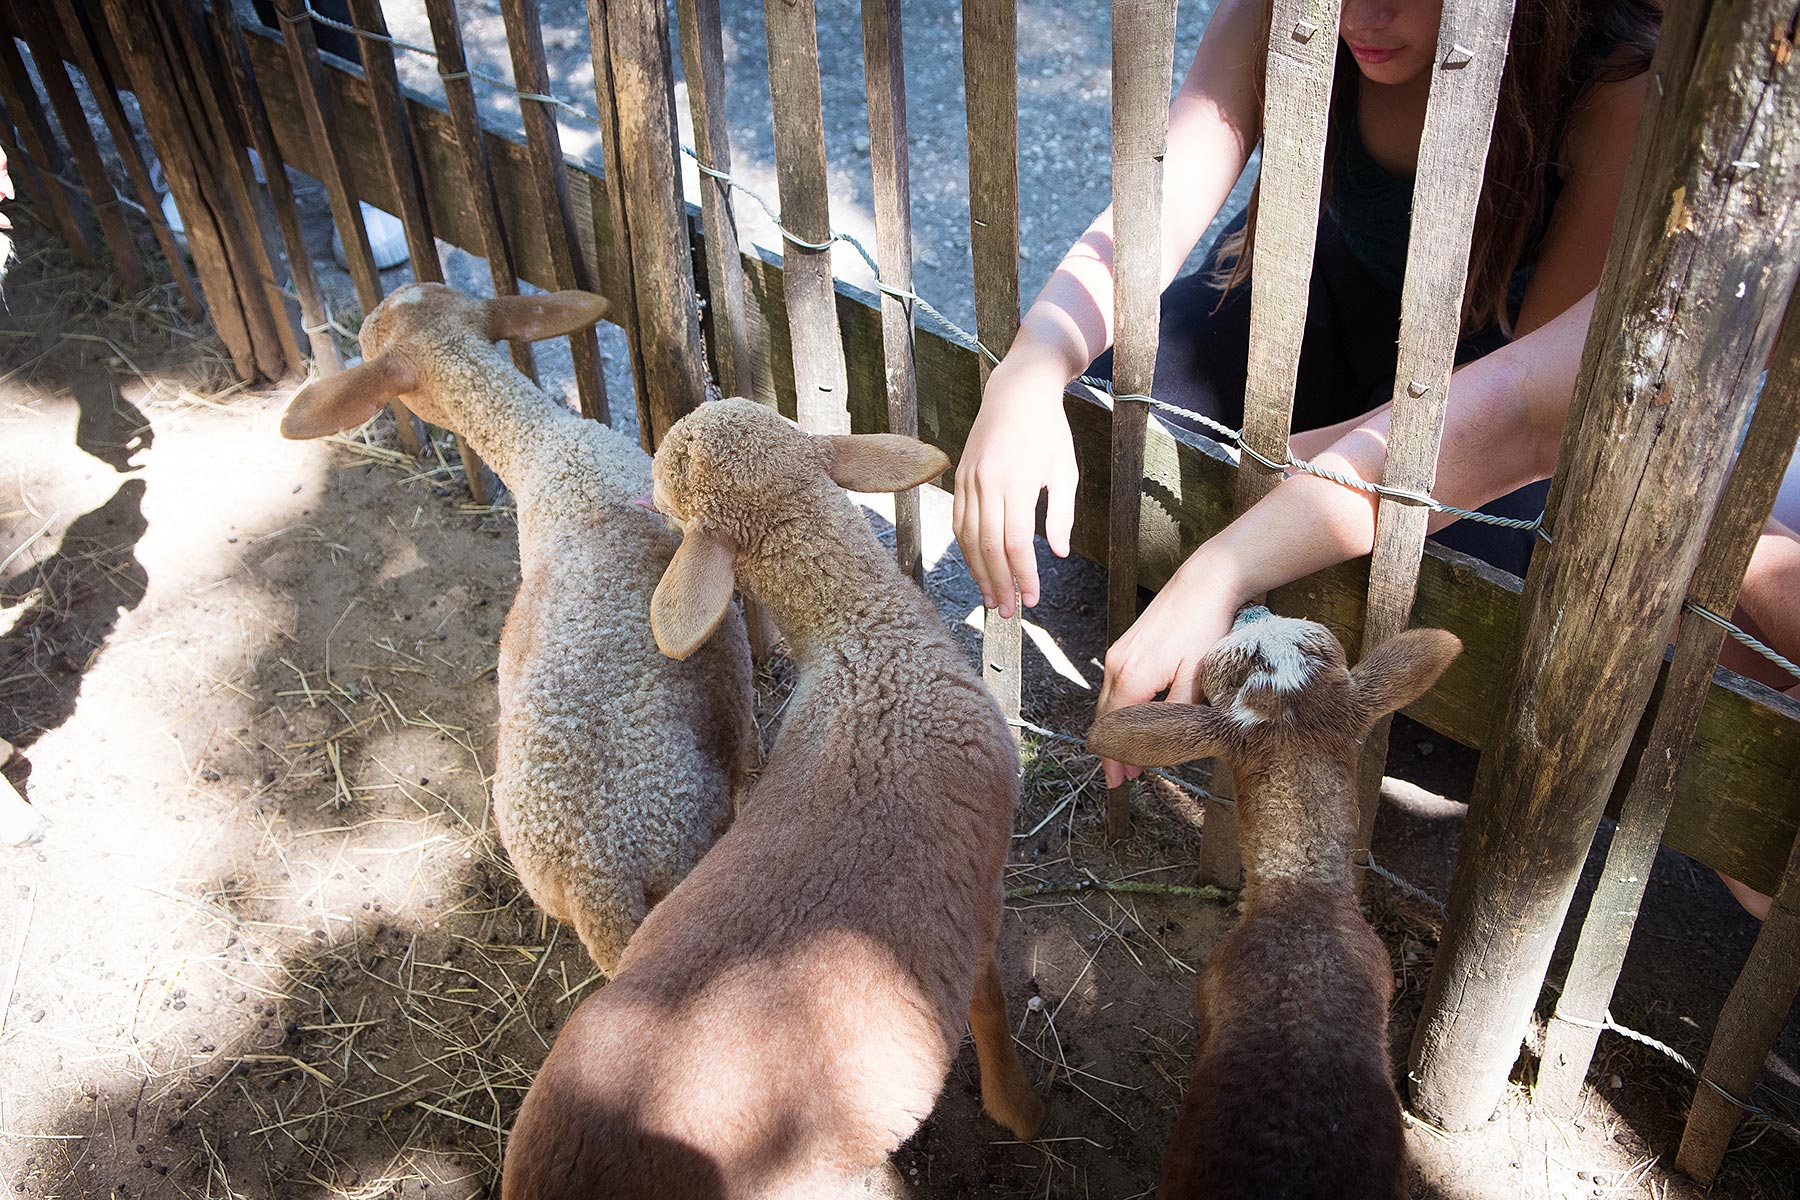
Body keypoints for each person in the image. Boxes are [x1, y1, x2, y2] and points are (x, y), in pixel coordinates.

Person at [951, 0, 1660, 780]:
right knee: (1102, 410)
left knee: (1479, 602)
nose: (1364, 14)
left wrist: (1265, 503)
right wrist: (1032, 364)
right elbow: (1165, 190)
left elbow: (1522, 401)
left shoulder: (1615, 81)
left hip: (1477, 385)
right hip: (1316, 300)